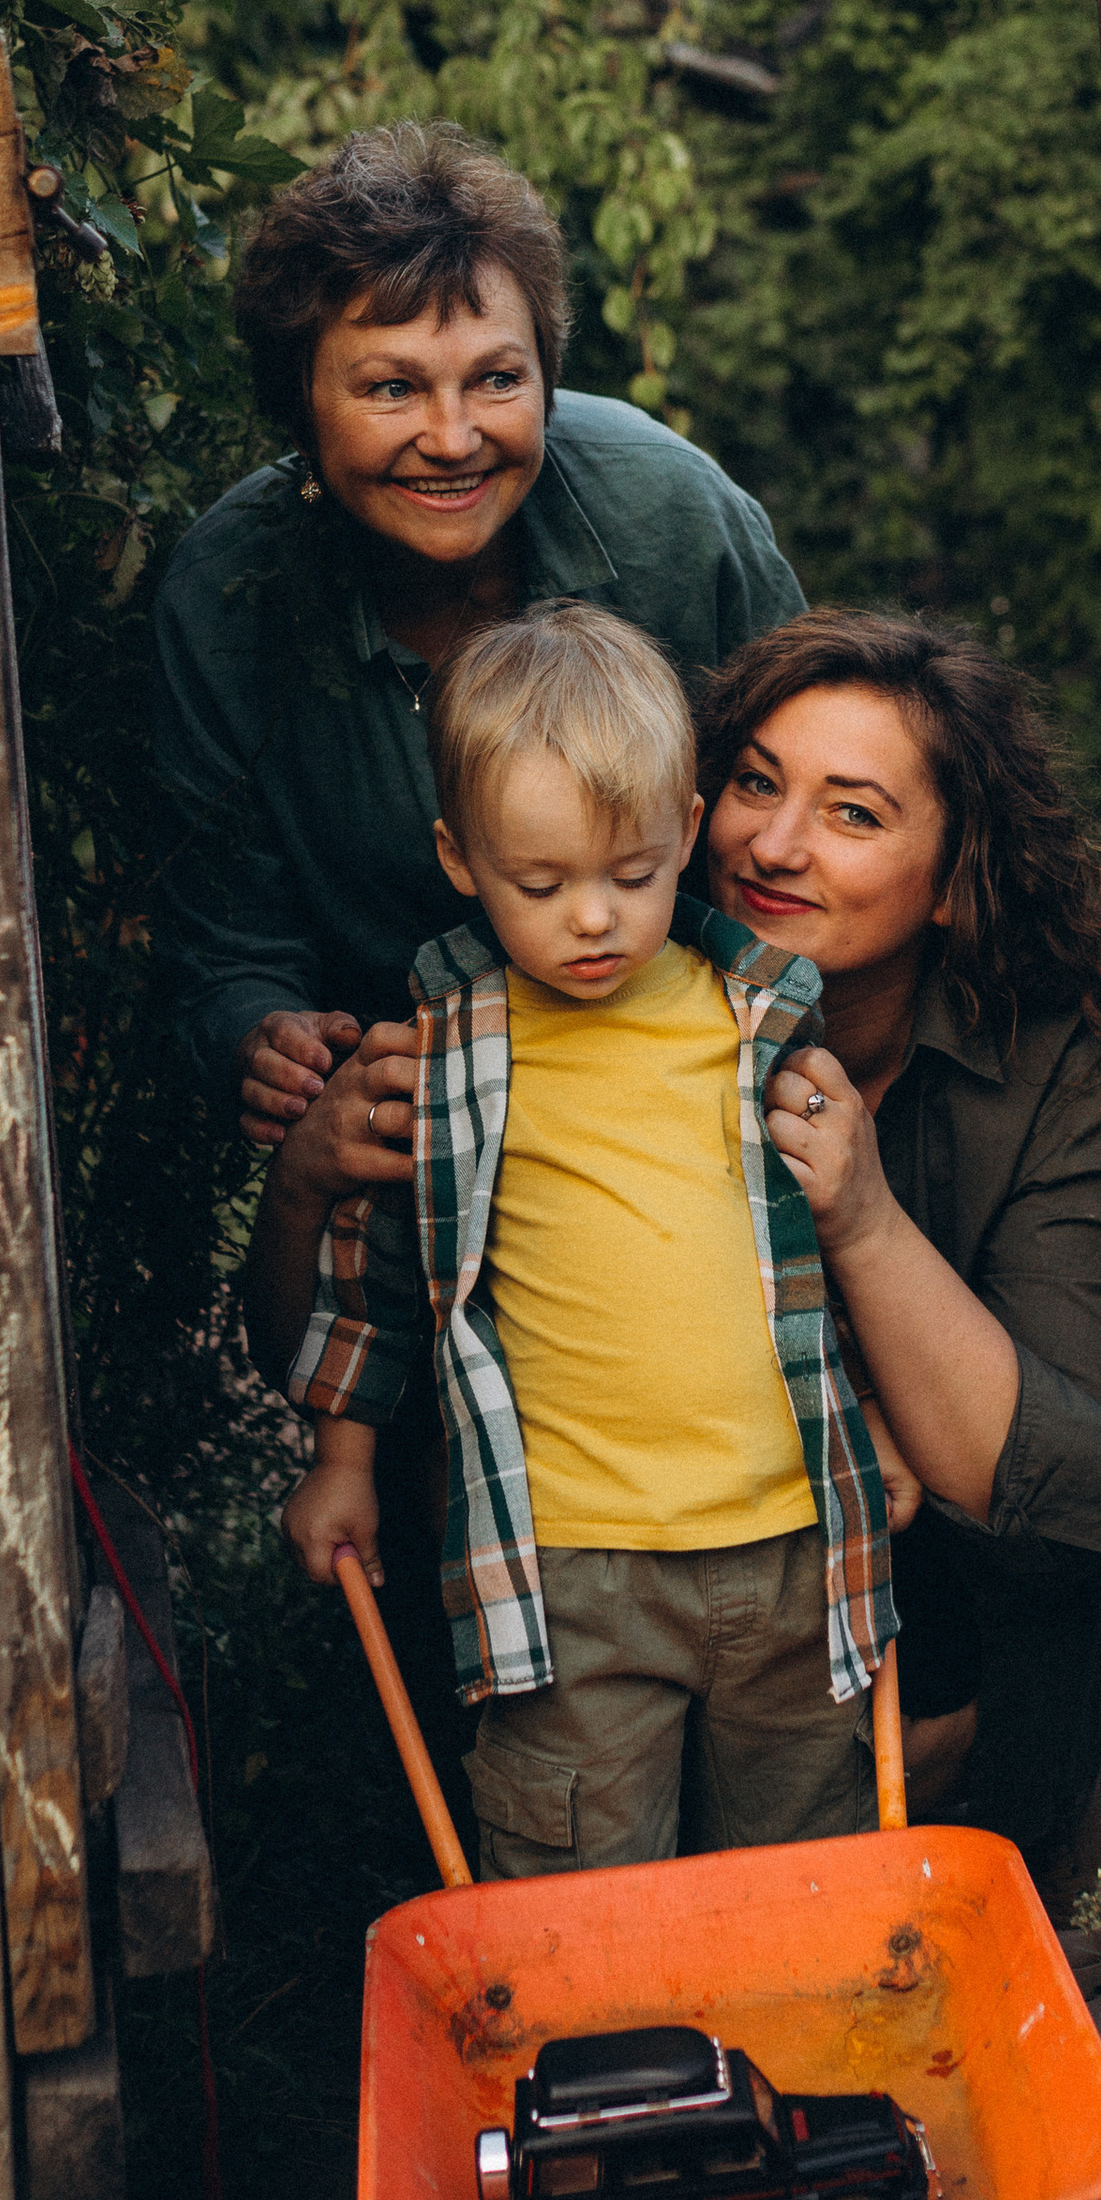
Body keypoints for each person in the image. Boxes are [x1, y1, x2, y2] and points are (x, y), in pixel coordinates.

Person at [274, 605, 904, 1878]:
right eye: (542, 885)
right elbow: (374, 1274)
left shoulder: (754, 1023)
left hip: (791, 1548)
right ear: (460, 859)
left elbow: (812, 1257)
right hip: (566, 1573)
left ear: (686, 827)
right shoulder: (454, 1054)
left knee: (800, 1886)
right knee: (581, 1889)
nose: (594, 922)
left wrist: (872, 1419)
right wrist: (341, 1459)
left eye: (632, 875)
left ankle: (787, 2023)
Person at [148, 121, 802, 1172]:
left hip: (706, 1084)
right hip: (418, 1130)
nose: (453, 439)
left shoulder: (675, 517)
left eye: (497, 380)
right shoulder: (226, 600)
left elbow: (803, 818)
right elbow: (225, 946)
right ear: (299, 404)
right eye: (391, 388)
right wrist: (263, 1039)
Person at [693, 611, 1101, 1911]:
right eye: (754, 783)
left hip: (970, 1585)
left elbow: (1087, 1492)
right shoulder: (602, 997)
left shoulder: (1053, 1055)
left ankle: (1027, 1787)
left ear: (956, 879)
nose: (773, 846)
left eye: (851, 814)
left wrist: (863, 1220)